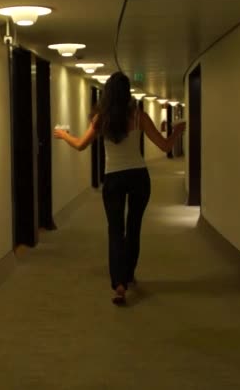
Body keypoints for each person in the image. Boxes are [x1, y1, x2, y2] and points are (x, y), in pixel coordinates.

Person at [53, 72, 186, 305]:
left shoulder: (101, 118)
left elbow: (80, 145)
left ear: (107, 93)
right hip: (138, 177)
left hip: (113, 179)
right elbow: (165, 145)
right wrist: (177, 131)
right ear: (127, 93)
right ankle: (128, 273)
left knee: (115, 230)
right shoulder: (138, 116)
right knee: (133, 228)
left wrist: (64, 135)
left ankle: (119, 284)